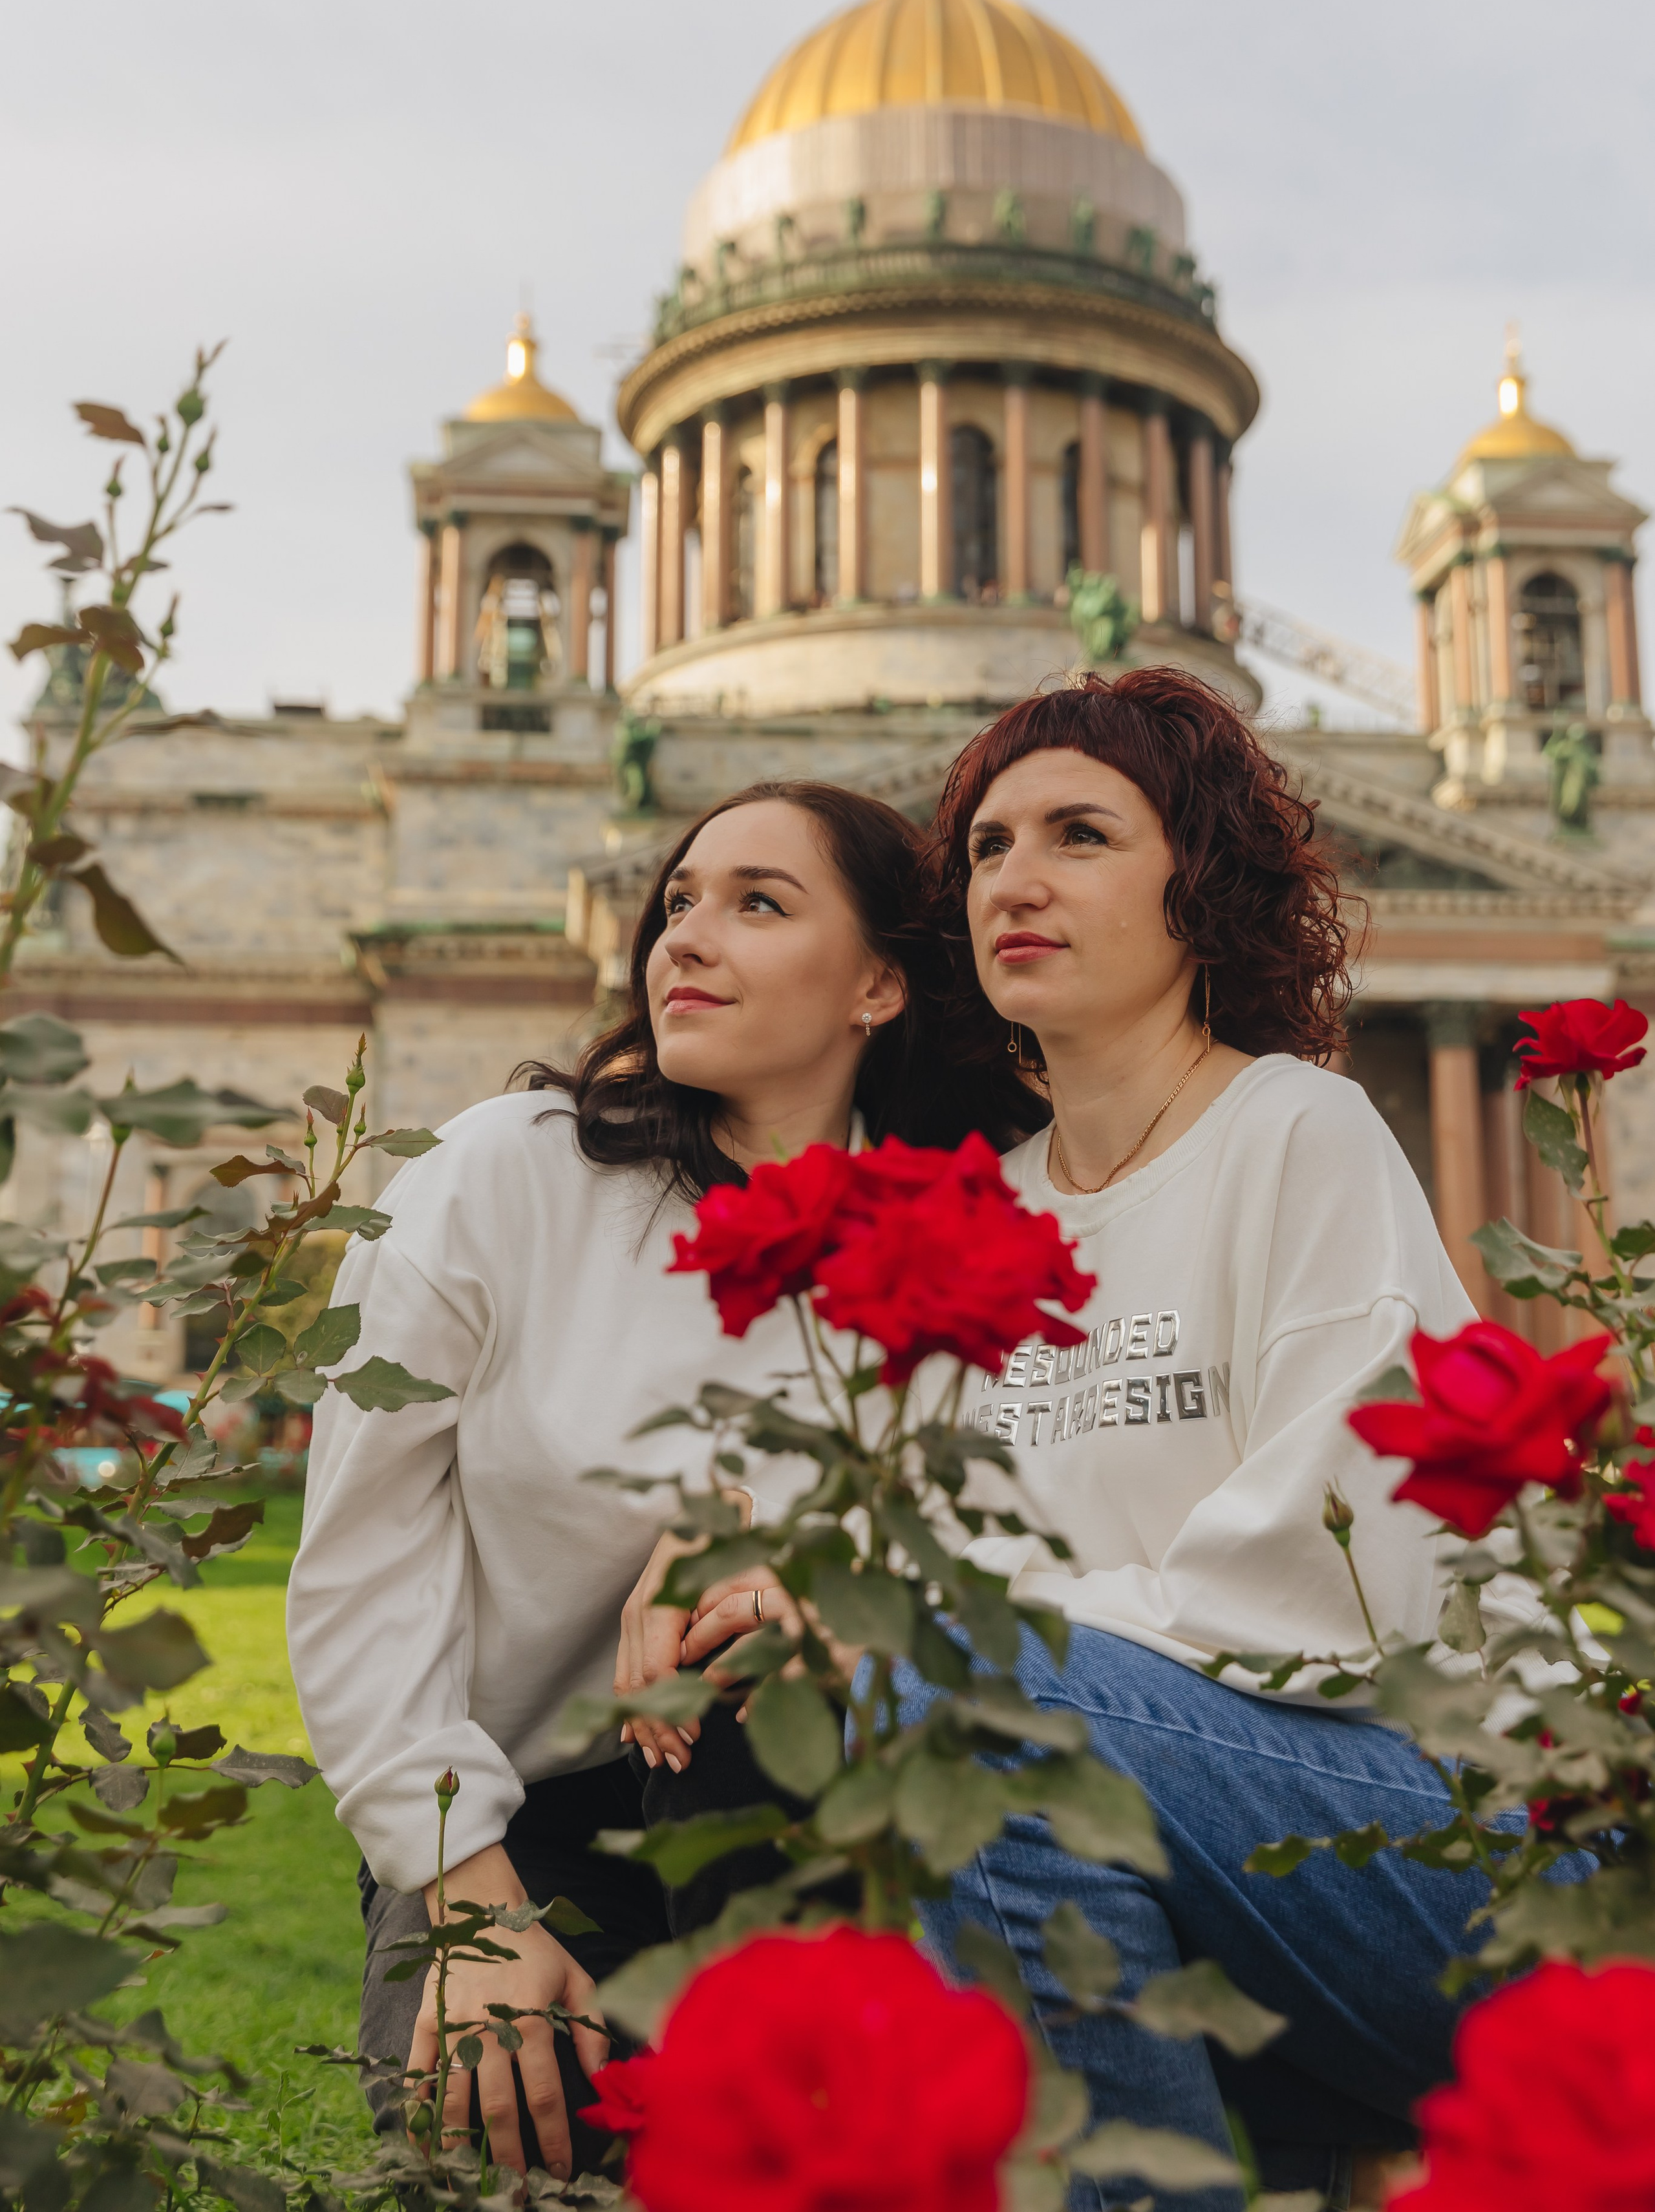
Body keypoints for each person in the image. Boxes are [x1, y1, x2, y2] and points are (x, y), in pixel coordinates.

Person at [285, 779, 1032, 2182]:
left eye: (757, 904)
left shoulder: (943, 1246)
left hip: (822, 1805)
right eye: (679, 900)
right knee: (506, 2148)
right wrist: (466, 1903)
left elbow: (992, 1552)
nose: (684, 937)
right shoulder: (501, 1175)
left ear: (877, 983)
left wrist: (794, 1570)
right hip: (509, 1816)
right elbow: (362, 1554)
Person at [912, 670, 1497, 2211]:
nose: (1013, 881)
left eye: (1079, 835)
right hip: (1136, 1820)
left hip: (1414, 1841)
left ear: (1201, 890)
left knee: (962, 1681)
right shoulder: (985, 1219)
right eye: (985, 847)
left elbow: (1345, 1582)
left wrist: (979, 1640)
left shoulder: (1295, 1130)